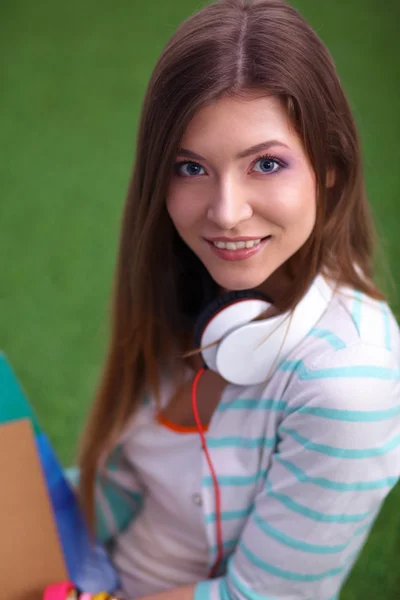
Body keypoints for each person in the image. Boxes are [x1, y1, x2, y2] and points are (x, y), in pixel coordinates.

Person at [77, 0, 400, 598]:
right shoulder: (206, 283)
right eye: (191, 167)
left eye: (267, 164)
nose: (226, 214)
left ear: (329, 166)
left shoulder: (347, 383)